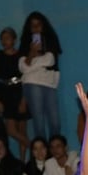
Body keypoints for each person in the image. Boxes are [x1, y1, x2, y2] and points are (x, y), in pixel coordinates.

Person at [19, 11, 62, 139]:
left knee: (55, 122)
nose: (36, 27)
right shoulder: (25, 44)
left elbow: (50, 60)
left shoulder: (51, 41)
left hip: (50, 83)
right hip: (32, 83)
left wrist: (31, 64)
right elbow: (22, 67)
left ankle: (55, 149)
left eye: (39, 24)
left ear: (44, 26)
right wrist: (32, 52)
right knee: (39, 122)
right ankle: (42, 154)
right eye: (33, 25)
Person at [0, 26, 29, 161]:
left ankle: (23, 159)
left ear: (14, 39)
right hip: (6, 93)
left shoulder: (21, 56)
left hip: (19, 90)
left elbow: (26, 76)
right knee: (11, 130)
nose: (4, 41)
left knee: (22, 130)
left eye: (7, 38)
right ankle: (36, 147)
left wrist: (24, 99)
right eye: (2, 39)